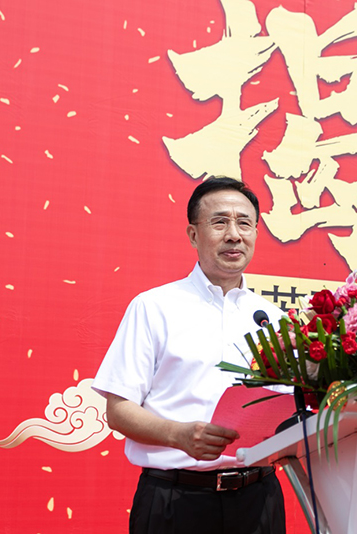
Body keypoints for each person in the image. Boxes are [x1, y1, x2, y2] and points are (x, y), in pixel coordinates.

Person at [93, 177, 286, 534]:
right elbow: (118, 411)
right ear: (194, 235)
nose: (234, 235)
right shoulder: (155, 307)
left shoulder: (274, 319)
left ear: (256, 233)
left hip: (260, 499)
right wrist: (177, 435)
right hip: (175, 501)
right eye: (219, 222)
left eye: (244, 223)